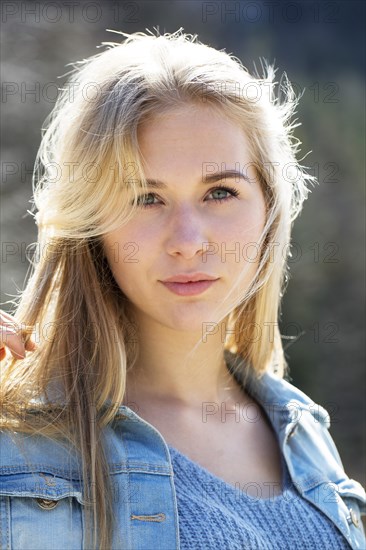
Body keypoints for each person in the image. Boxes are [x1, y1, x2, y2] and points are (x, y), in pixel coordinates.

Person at [0, 28, 365, 550]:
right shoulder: (21, 442)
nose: (188, 242)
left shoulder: (304, 433)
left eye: (220, 192)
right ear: (91, 224)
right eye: (145, 198)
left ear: (269, 208)